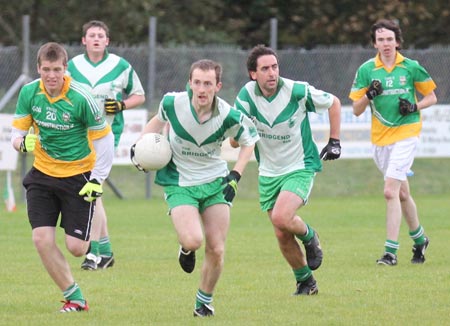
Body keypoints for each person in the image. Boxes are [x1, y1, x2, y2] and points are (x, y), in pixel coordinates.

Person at [131, 59, 259, 317]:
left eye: (208, 84)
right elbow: (157, 122)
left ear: (218, 86)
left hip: (214, 182)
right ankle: (186, 248)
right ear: (190, 83)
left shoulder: (228, 115)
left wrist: (236, 174)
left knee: (217, 248)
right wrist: (140, 147)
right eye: (197, 82)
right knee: (193, 239)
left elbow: (250, 141)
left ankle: (204, 302)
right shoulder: (172, 104)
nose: (202, 89)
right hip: (179, 182)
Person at [10, 42, 114, 312]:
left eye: (57, 69)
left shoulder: (81, 98)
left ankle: (96, 242)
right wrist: (22, 144)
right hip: (42, 175)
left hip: (78, 177)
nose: (51, 75)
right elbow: (16, 134)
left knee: (77, 248)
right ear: (38, 69)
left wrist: (97, 179)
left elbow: (105, 140)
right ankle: (75, 298)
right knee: (41, 239)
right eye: (46, 69)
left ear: (65, 69)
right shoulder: (29, 93)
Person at [233, 44, 342, 296]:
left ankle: (310, 236)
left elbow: (334, 103)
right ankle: (305, 282)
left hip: (300, 165)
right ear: (253, 74)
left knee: (281, 217)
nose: (272, 73)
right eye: (265, 69)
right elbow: (236, 138)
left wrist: (334, 141)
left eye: (275, 67)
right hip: (269, 172)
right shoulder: (246, 97)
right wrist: (237, 135)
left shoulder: (296, 90)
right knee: (281, 234)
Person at [349, 19, 436, 266]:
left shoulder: (410, 67)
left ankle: (390, 252)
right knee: (402, 193)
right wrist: (369, 95)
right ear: (374, 43)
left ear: (397, 42)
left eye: (389, 39)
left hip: (407, 133)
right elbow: (356, 109)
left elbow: (431, 96)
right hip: (380, 138)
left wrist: (414, 106)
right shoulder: (367, 70)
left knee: (390, 191)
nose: (385, 44)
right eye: (381, 39)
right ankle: (420, 240)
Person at [67, 20, 146, 270]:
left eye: (101, 35)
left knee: (92, 188)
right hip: (80, 134)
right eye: (92, 35)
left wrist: (122, 105)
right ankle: (105, 252)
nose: (97, 39)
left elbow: (139, 95)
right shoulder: (72, 66)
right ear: (84, 41)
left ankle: (94, 253)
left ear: (107, 41)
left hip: (108, 133)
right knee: (93, 191)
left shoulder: (120, 65)